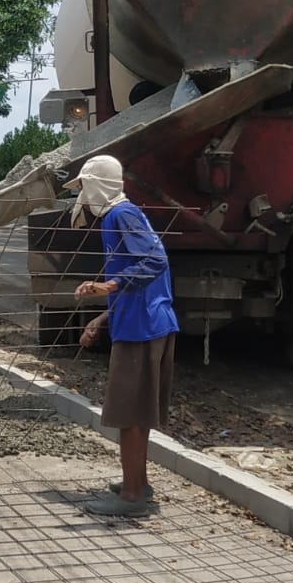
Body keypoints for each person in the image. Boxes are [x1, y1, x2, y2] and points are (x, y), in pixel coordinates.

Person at [68, 155, 177, 518]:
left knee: (128, 413)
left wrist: (108, 285)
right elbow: (141, 272)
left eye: (84, 187)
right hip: (147, 321)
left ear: (97, 186)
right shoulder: (125, 214)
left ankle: (131, 497)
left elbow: (155, 261)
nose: (82, 197)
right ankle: (138, 483)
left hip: (141, 328)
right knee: (138, 411)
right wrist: (102, 317)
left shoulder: (119, 215)